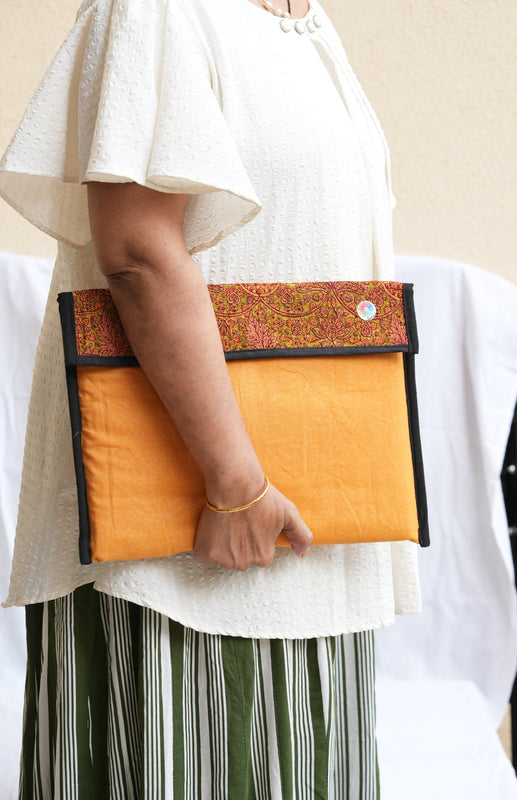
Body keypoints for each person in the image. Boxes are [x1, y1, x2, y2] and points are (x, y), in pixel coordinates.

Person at [0, 0, 421, 796]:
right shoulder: (161, 12)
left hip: (305, 524)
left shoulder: (302, 24)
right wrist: (235, 485)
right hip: (190, 534)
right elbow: (137, 251)